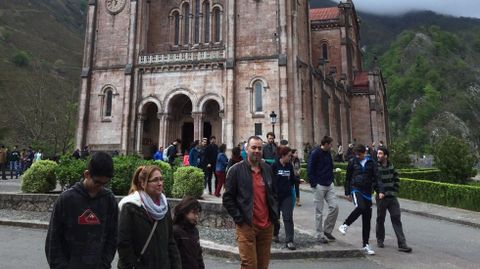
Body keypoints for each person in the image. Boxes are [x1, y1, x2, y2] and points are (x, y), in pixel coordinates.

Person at [45, 152, 118, 268]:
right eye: (97, 182)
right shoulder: (66, 199)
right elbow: (53, 239)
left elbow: (112, 237)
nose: (100, 187)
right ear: (87, 174)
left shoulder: (109, 200)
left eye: (105, 183)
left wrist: (104, 263)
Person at [223, 136, 278, 269]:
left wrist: (274, 217)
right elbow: (227, 198)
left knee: (263, 266)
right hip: (247, 225)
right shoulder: (236, 170)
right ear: (246, 149)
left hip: (266, 226)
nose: (257, 151)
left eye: (260, 148)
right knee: (249, 265)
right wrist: (239, 219)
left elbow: (274, 195)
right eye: (253, 147)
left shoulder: (267, 169)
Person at [118, 165, 181, 269]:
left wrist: (176, 265)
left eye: (161, 179)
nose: (160, 183)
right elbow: (124, 244)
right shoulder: (130, 207)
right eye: (155, 180)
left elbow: (170, 241)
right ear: (143, 184)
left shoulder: (164, 207)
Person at [338, 144, 384, 255]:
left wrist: (380, 191)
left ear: (364, 153)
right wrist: (347, 192)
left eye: (359, 154)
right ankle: (345, 224)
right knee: (360, 207)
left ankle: (365, 245)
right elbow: (348, 178)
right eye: (356, 154)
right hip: (356, 188)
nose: (358, 156)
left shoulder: (371, 162)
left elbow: (377, 177)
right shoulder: (352, 162)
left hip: (367, 191)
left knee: (367, 219)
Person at [376, 147, 412, 253]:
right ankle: (380, 239)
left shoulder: (392, 166)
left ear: (386, 156)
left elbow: (396, 179)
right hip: (382, 198)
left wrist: (394, 190)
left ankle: (402, 244)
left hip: (392, 197)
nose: (378, 155)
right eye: (378, 153)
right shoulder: (376, 168)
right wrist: (379, 192)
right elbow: (375, 181)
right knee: (380, 219)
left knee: (396, 218)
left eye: (380, 153)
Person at [307, 136, 339, 244]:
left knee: (334, 207)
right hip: (319, 185)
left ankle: (327, 230)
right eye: (330, 144)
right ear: (325, 144)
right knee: (319, 211)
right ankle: (319, 234)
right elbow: (310, 168)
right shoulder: (315, 153)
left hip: (329, 184)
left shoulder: (328, 153)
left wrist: (331, 180)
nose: (331, 146)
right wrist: (314, 184)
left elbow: (330, 166)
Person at [271, 146, 298, 250]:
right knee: (275, 217)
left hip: (287, 195)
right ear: (282, 156)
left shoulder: (289, 166)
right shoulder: (274, 166)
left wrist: (297, 180)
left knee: (288, 217)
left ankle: (289, 240)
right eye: (289, 156)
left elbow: (292, 179)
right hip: (276, 196)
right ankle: (275, 234)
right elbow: (270, 180)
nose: (290, 158)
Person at [173, 196, 205, 269]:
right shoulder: (175, 231)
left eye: (198, 213)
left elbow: (198, 255)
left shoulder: (194, 231)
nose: (196, 216)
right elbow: (173, 257)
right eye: (194, 213)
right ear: (184, 212)